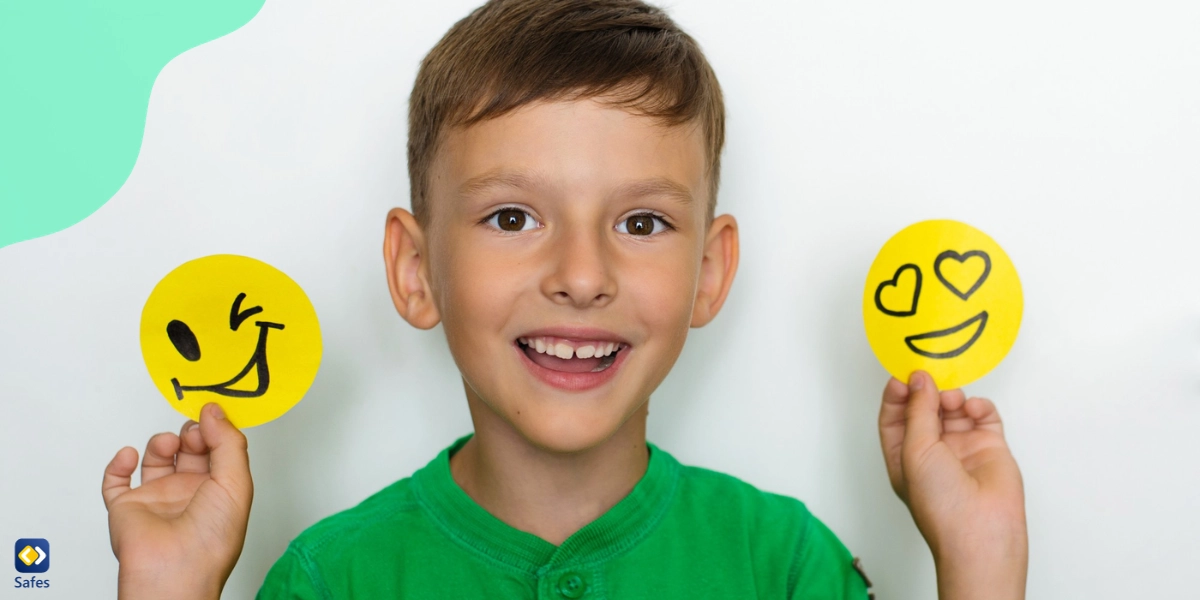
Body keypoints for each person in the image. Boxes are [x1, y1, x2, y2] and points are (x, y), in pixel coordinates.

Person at [101, 0, 1029, 597]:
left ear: (709, 272)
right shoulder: (334, 578)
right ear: (415, 271)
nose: (582, 275)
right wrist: (168, 592)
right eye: (512, 218)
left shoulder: (779, 563)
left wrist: (979, 562)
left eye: (640, 224)